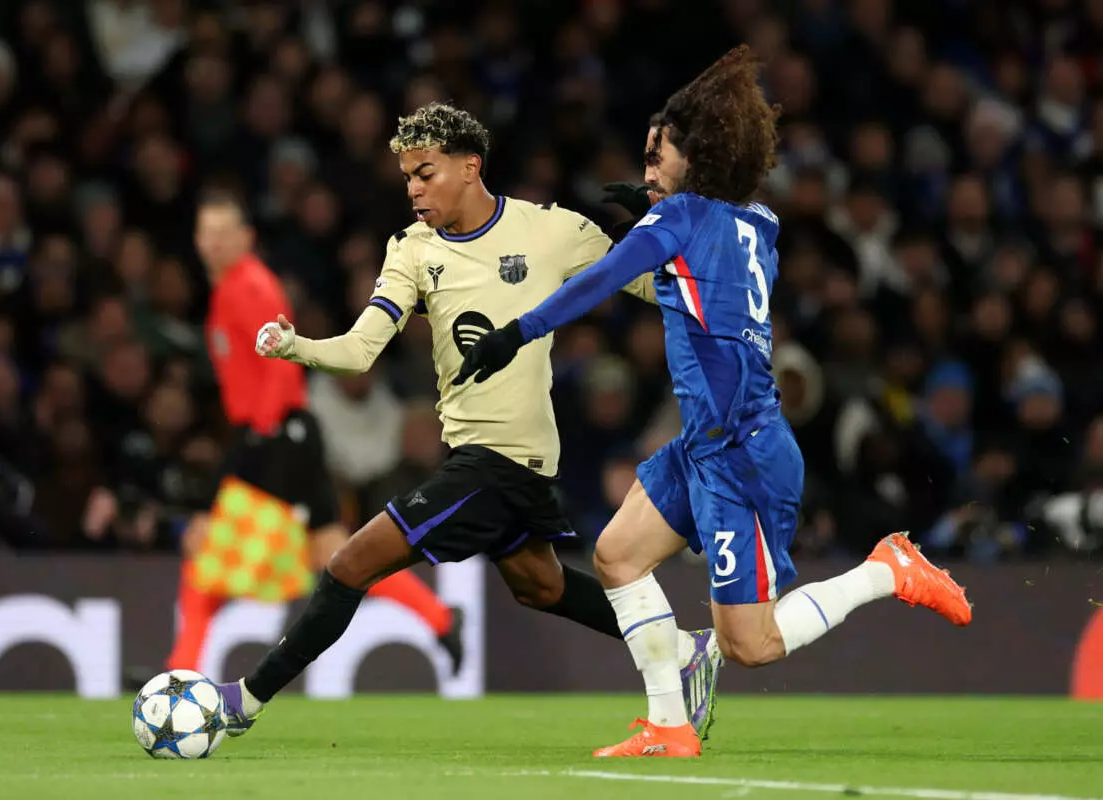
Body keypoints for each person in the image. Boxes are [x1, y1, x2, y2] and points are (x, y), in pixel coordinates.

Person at [454, 46, 973, 758]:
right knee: (616, 557)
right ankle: (670, 725)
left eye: (654, 158)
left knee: (751, 646)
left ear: (694, 160)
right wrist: (658, 211)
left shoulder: (679, 223)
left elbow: (599, 281)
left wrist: (517, 332)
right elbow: (712, 260)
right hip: (707, 443)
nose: (644, 170)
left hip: (743, 457)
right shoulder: (761, 223)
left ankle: (887, 569)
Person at [217, 102, 715, 738]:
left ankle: (244, 701)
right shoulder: (413, 251)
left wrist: (658, 225)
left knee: (348, 565)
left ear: (469, 167)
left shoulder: (551, 231)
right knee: (541, 585)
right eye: (406, 177)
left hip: (502, 459)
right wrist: (296, 347)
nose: (414, 189)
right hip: (477, 455)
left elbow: (661, 288)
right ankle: (680, 649)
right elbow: (361, 347)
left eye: (425, 173)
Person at [143, 189, 464, 684]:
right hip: (288, 432)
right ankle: (440, 619)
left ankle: (177, 673)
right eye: (204, 234)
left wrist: (264, 435)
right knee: (338, 555)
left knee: (205, 547)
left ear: (245, 238)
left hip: (274, 437)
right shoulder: (235, 285)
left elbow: (277, 360)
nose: (211, 244)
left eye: (222, 234)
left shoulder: (247, 286)